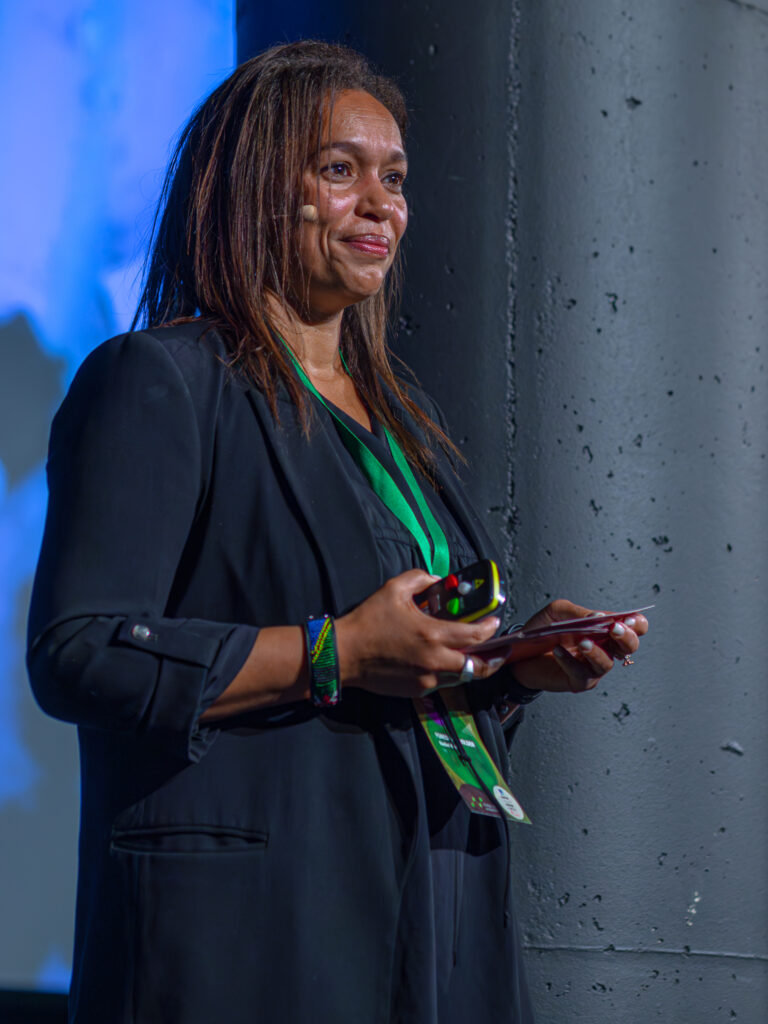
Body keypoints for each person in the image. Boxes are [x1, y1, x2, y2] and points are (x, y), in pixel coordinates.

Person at [27, 40, 647, 1024]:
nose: (380, 205)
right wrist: (338, 650)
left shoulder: (400, 424)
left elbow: (393, 676)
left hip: (431, 910)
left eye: (393, 179)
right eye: (339, 169)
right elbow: (81, 652)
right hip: (255, 939)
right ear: (253, 188)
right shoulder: (159, 380)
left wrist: (507, 668)